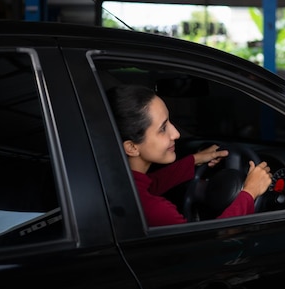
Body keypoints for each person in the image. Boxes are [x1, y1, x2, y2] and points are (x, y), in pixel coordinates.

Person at [106, 84, 272, 226]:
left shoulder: (115, 184)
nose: (176, 134)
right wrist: (250, 192)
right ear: (132, 147)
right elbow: (211, 248)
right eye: (163, 129)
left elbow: (152, 184)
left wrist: (195, 160)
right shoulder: (155, 210)